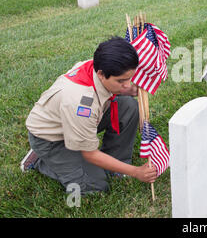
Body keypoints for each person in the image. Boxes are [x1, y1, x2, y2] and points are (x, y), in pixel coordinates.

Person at [21, 37, 157, 194]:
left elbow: (115, 89)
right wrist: (135, 172)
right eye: (121, 81)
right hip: (52, 139)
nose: (128, 84)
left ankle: (116, 165)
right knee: (95, 187)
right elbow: (90, 154)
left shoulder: (102, 64)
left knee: (128, 106)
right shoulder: (82, 103)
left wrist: (128, 89)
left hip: (77, 120)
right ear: (101, 74)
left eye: (129, 78)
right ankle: (39, 160)